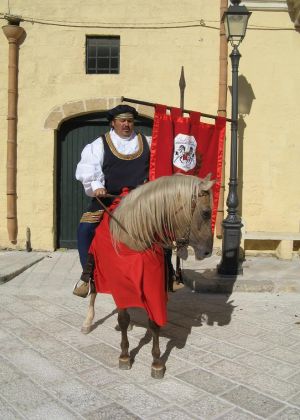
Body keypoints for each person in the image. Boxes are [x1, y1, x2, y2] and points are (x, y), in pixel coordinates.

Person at [73, 104, 152, 296]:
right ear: (113, 123)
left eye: (130, 121)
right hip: (108, 201)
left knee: (163, 230)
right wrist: (97, 186)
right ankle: (87, 277)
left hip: (140, 202)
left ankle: (170, 275)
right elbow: (88, 168)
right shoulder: (98, 145)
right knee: (85, 230)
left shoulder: (148, 141)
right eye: (122, 121)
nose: (126, 124)